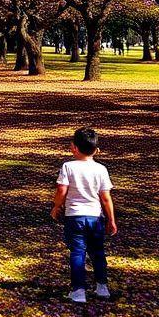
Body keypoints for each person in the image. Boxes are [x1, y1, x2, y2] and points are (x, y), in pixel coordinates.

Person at [51, 127, 117, 303]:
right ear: (96, 150)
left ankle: (78, 290)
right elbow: (105, 198)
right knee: (98, 252)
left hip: (74, 216)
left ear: (74, 147)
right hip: (95, 217)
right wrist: (111, 219)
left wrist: (56, 206)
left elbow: (61, 190)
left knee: (77, 253)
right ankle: (102, 287)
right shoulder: (101, 169)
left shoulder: (68, 167)